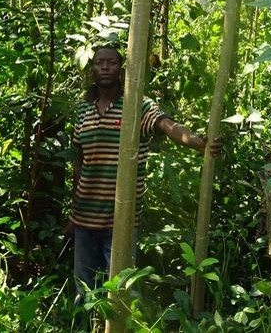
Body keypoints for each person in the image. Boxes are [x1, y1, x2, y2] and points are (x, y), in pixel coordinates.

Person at [68, 46, 223, 300]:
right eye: (99, 63)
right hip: (85, 219)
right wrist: (74, 213)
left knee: (122, 293)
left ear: (121, 69)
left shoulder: (136, 106)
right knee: (84, 291)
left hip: (122, 219)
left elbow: (167, 125)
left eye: (111, 63)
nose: (105, 67)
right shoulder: (83, 110)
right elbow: (80, 163)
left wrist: (198, 142)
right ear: (92, 69)